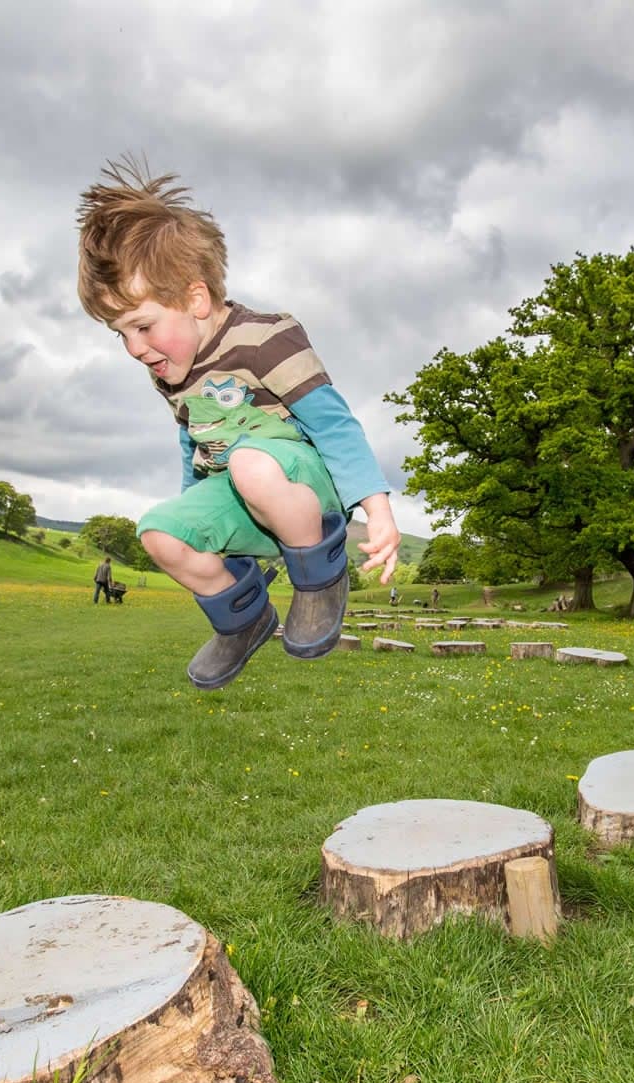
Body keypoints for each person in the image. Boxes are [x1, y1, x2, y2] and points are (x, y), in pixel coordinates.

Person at [77, 158, 400, 690]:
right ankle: (243, 618)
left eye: (142, 326)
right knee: (157, 532)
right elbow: (194, 440)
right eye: (121, 334)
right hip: (239, 491)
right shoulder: (171, 372)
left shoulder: (265, 338)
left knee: (251, 462)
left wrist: (377, 509)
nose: (134, 349)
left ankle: (319, 580)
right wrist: (190, 513)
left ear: (195, 299)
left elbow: (334, 425)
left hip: (299, 482)